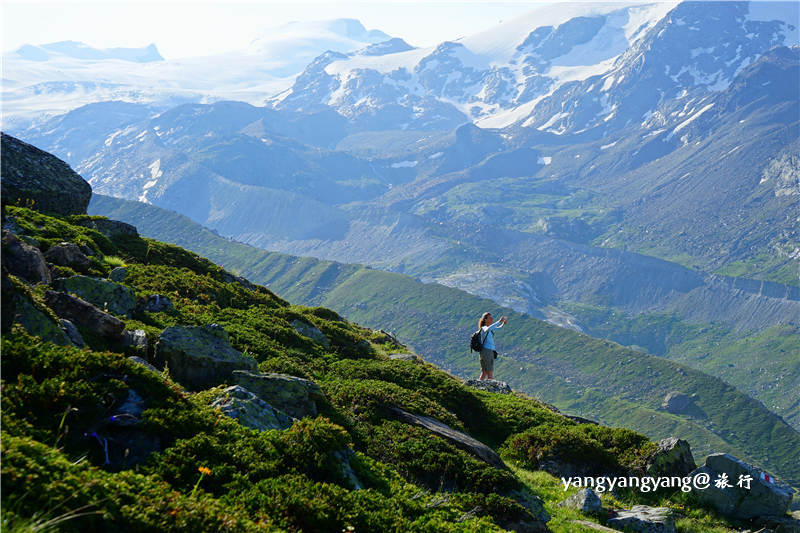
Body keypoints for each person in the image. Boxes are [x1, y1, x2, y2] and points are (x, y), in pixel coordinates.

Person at [477, 312, 507, 381]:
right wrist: (499, 321)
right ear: (485, 320)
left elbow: (498, 328)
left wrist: (503, 323)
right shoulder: (484, 328)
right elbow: (488, 329)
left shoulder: (489, 329)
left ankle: (478, 385)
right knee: (490, 372)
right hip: (487, 351)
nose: (491, 319)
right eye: (490, 318)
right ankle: (492, 388)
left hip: (486, 352)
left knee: (484, 372)